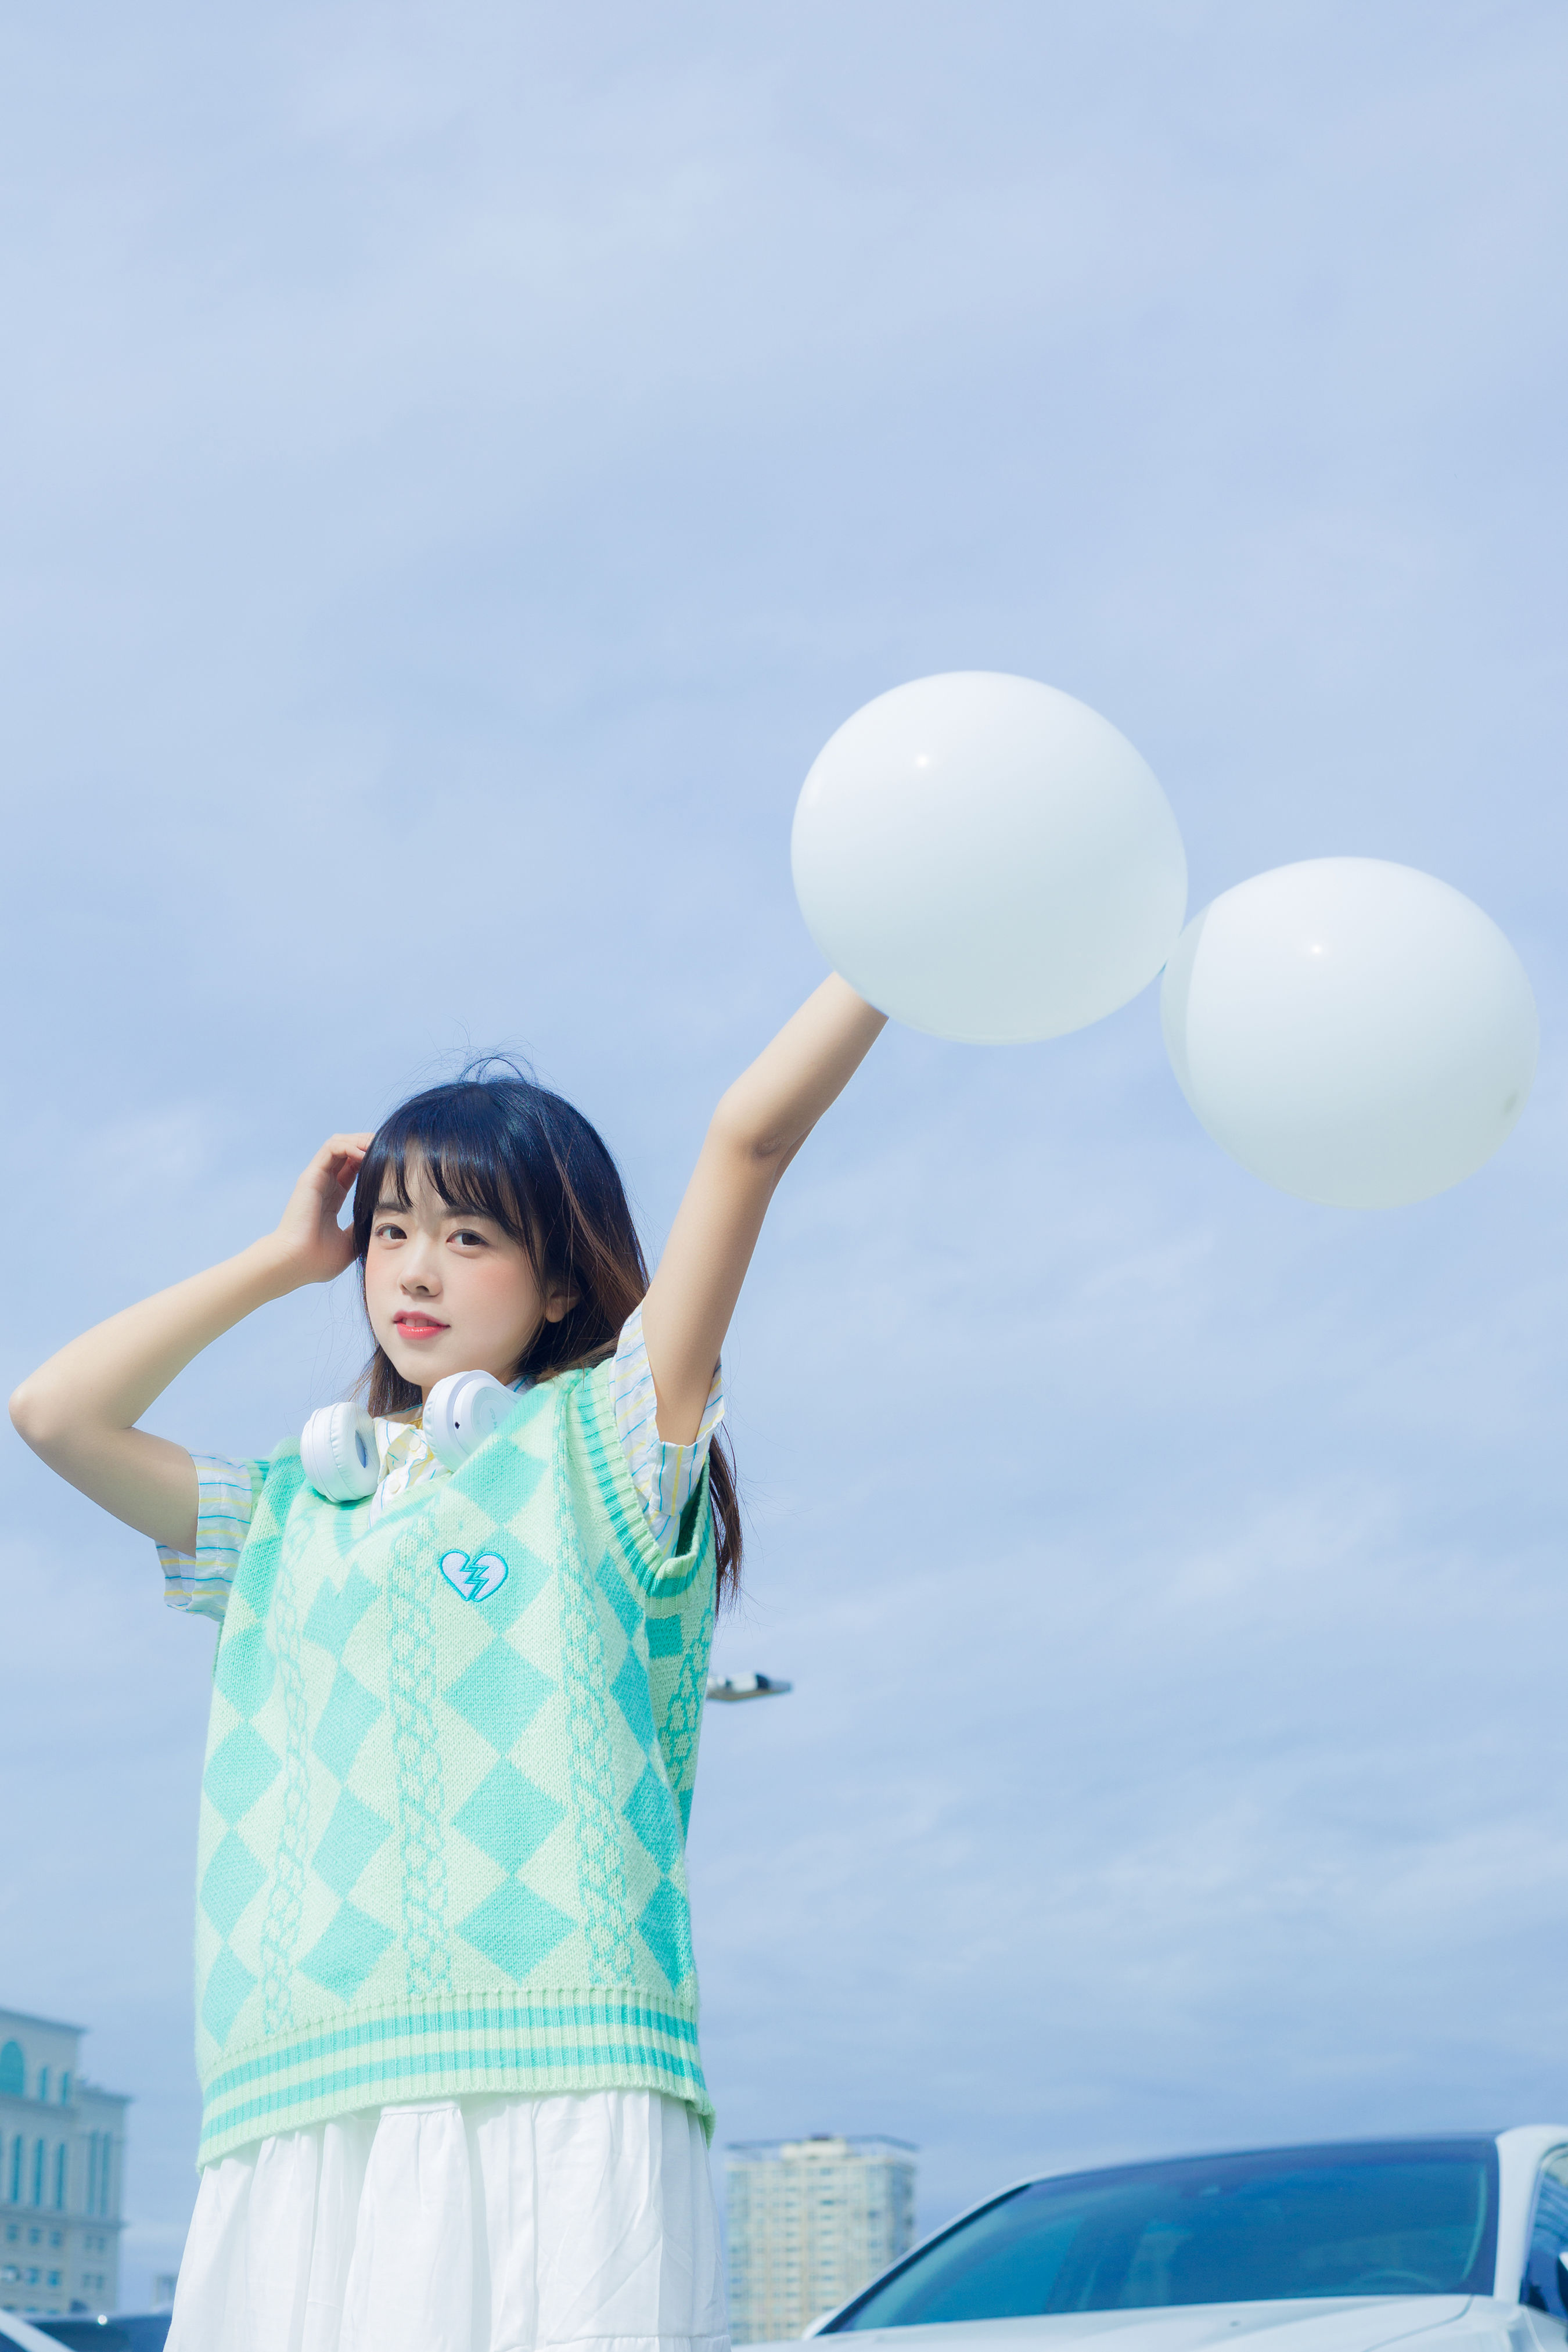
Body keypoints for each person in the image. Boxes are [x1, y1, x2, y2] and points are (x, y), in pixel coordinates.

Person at [9, 974, 886, 2352]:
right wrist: (277, 1259)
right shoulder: (292, 1513)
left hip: (555, 2071)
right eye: (394, 1231)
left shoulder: (602, 1448)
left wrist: (889, 946)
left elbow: (748, 1143)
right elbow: (54, 1412)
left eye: (467, 1235)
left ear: (555, 1284)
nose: (411, 1269)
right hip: (296, 2091)